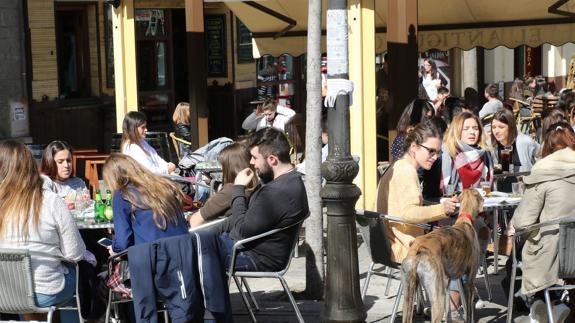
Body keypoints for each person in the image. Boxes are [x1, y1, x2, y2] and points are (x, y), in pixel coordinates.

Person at [0, 140, 86, 312]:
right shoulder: (51, 200)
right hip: (45, 293)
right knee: (77, 271)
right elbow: (75, 254)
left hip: (4, 295)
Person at [217, 128, 309, 272]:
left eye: (254, 157)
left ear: (272, 159)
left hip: (256, 257)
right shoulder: (289, 181)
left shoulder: (276, 192)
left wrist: (238, 188)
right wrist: (212, 232)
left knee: (197, 252)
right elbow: (242, 219)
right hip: (255, 251)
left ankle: (211, 295)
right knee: (196, 243)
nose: (252, 163)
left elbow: (241, 231)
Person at [511, 122, 575, 323]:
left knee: (516, 252)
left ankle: (541, 307)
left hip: (553, 253)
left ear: (546, 147)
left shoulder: (543, 172)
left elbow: (522, 221)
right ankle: (556, 307)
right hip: (573, 253)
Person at [376, 121, 457, 264]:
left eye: (438, 153)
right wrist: (442, 209)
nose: (435, 157)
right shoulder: (407, 171)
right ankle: (455, 287)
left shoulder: (397, 166)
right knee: (458, 244)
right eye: (431, 151)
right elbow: (408, 213)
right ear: (414, 146)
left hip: (386, 244)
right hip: (405, 247)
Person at [102, 154, 189, 253]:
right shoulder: (163, 184)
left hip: (154, 257)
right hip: (184, 251)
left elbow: (123, 243)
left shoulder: (122, 195)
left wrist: (114, 248)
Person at [188, 143, 258, 228]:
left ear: (228, 168)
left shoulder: (230, 192)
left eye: (223, 165)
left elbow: (194, 222)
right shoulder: (256, 187)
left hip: (208, 235)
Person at [441, 112, 494, 192]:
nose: (472, 132)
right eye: (466, 129)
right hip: (454, 201)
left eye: (475, 128)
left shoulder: (485, 154)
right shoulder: (448, 153)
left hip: (482, 200)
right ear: (457, 131)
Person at [121, 111, 176, 175]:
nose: (146, 130)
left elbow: (156, 158)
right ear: (133, 128)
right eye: (143, 127)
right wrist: (168, 169)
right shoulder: (132, 149)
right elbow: (150, 172)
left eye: (145, 127)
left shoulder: (141, 142)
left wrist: (167, 165)